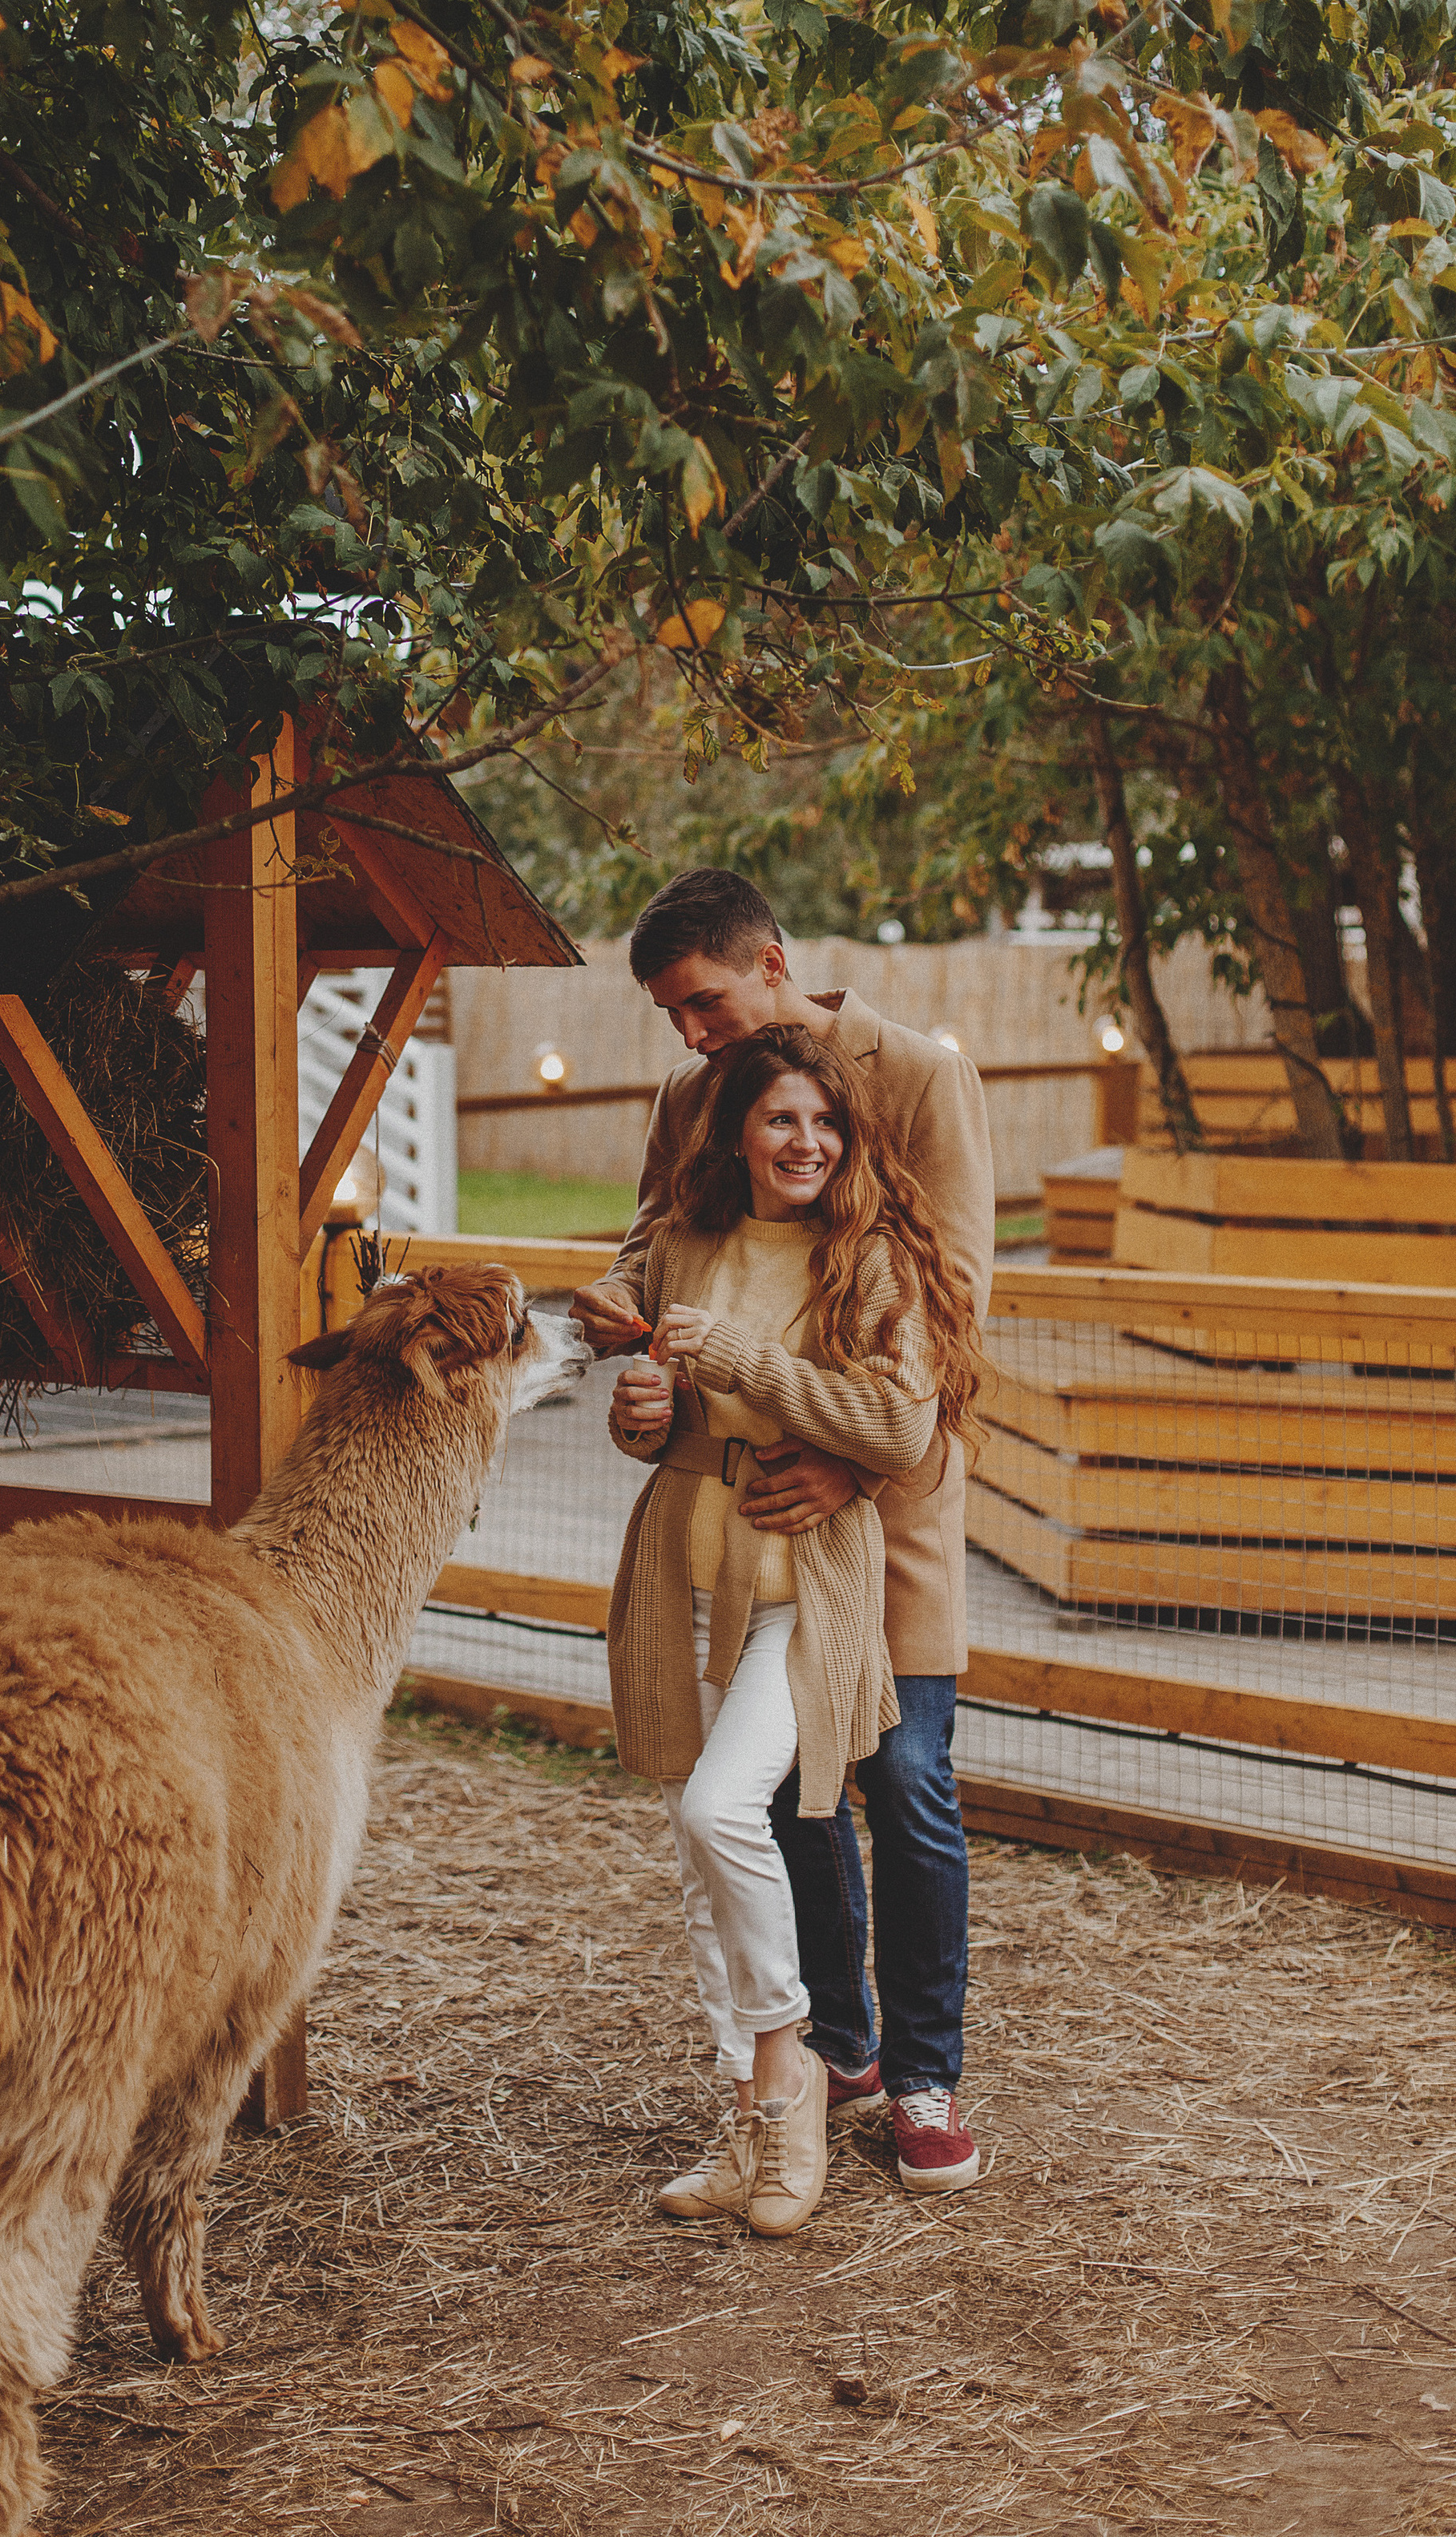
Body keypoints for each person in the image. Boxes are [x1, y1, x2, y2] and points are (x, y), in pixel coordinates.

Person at [574, 870, 994, 2192]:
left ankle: (926, 2079)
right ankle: (835, 2049)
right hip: (739, 1516)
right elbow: (652, 1256)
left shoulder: (919, 1076)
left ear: (770, 962)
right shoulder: (692, 1098)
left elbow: (955, 1305)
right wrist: (616, 1330)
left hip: (889, 1506)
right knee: (782, 1798)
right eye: (672, 1016)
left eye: (701, 1002)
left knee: (906, 1784)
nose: (691, 1036)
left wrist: (847, 1473)